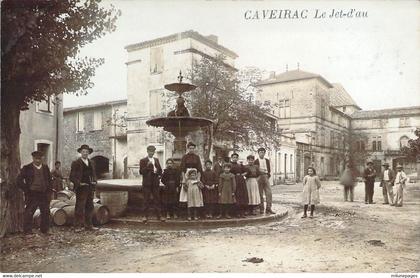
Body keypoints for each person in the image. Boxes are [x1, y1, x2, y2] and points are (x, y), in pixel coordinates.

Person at [17, 151, 53, 236]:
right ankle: (27, 231)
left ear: (42, 159)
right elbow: (19, 180)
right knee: (29, 212)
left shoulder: (45, 168)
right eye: (36, 159)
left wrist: (49, 191)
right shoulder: (27, 168)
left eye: (39, 159)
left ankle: (45, 230)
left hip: (43, 194)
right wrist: (26, 189)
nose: (37, 160)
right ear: (33, 158)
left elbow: (49, 180)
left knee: (45, 211)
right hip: (32, 194)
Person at [69, 145, 98, 232]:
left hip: (90, 187)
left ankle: (89, 225)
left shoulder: (91, 162)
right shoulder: (76, 163)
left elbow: (94, 174)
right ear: (80, 153)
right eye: (83, 152)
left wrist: (95, 181)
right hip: (81, 188)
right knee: (80, 206)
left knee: (90, 206)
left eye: (86, 152)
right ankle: (77, 226)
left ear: (89, 153)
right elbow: (72, 176)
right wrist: (79, 183)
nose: (85, 153)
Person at [139, 145, 163, 222]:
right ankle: (144, 216)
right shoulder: (143, 160)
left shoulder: (156, 160)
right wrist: (147, 166)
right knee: (146, 199)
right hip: (147, 182)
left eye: (153, 151)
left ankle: (159, 216)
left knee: (157, 199)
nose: (151, 153)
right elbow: (141, 172)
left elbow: (160, 170)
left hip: (155, 182)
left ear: (154, 152)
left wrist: (159, 175)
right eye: (150, 151)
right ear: (147, 151)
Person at [254, 147, 275, 214]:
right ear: (258, 153)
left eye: (263, 152)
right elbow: (256, 170)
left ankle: (268, 208)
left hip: (266, 177)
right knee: (260, 193)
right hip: (259, 177)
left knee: (269, 193)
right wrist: (260, 174)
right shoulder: (256, 161)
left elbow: (269, 170)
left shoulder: (267, 160)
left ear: (264, 153)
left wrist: (267, 175)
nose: (262, 154)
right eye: (260, 152)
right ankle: (261, 209)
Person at [230, 153, 248, 218]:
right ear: (231, 158)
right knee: (236, 196)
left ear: (237, 158)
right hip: (233, 181)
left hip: (241, 181)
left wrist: (242, 175)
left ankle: (242, 212)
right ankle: (236, 213)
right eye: (233, 157)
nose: (235, 158)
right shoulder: (230, 165)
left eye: (236, 157)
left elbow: (246, 171)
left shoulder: (240, 165)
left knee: (242, 196)